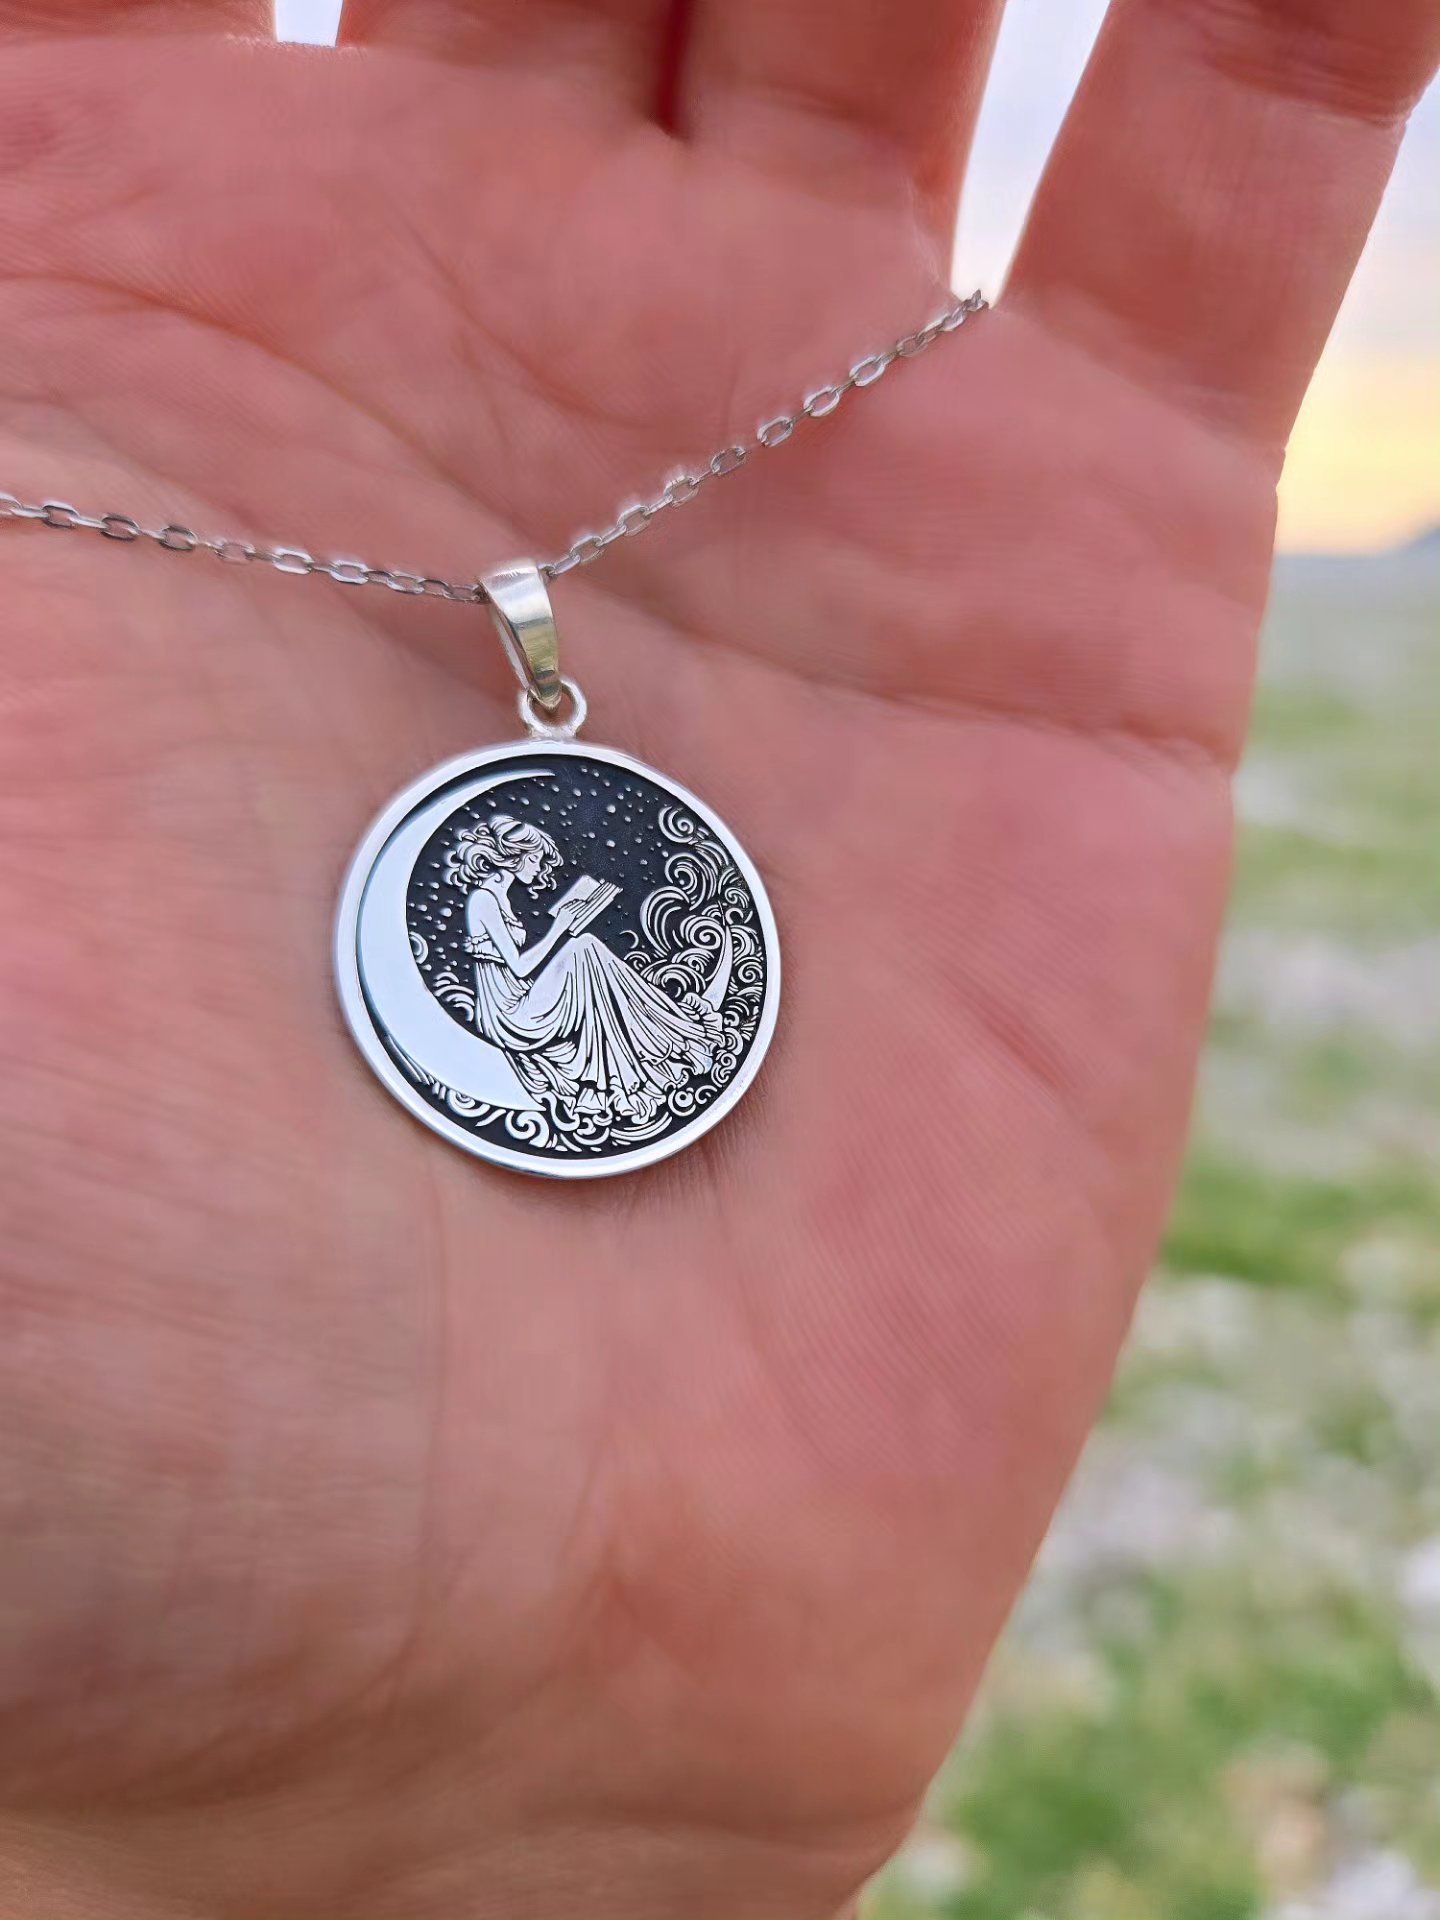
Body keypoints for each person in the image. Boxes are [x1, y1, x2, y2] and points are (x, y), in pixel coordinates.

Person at [0, 2, 1435, 1916]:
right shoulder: (489, 901)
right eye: (519, 855)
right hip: (526, 1021)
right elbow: (510, 971)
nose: (522, 856)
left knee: (625, 988)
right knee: (591, 994)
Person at [450, 812, 718, 1122]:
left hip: (521, 995)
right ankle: (656, 1039)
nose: (538, 868)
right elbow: (520, 967)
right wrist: (559, 928)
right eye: (535, 860)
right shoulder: (482, 899)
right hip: (508, 1013)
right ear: (515, 857)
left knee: (585, 949)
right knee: (584, 947)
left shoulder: (501, 897)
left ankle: (654, 1034)